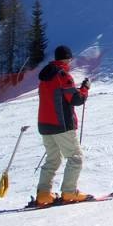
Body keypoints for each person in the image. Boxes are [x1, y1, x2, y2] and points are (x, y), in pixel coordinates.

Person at [35, 45, 90, 206]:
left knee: (53, 159)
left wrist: (78, 90)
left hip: (45, 124)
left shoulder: (46, 75)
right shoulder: (63, 75)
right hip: (61, 124)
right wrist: (85, 89)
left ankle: (43, 194)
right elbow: (76, 99)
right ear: (67, 58)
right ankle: (69, 192)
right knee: (75, 157)